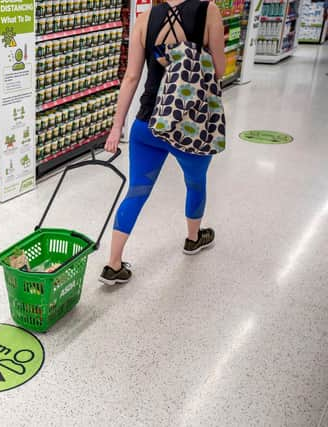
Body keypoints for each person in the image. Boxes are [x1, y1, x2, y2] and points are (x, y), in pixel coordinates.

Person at [99, 0, 226, 285]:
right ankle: (193, 238)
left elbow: (131, 77)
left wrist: (116, 128)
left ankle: (113, 263)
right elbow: (218, 70)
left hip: (147, 124)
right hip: (190, 127)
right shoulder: (209, 10)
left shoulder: (145, 19)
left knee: (137, 191)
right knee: (195, 182)